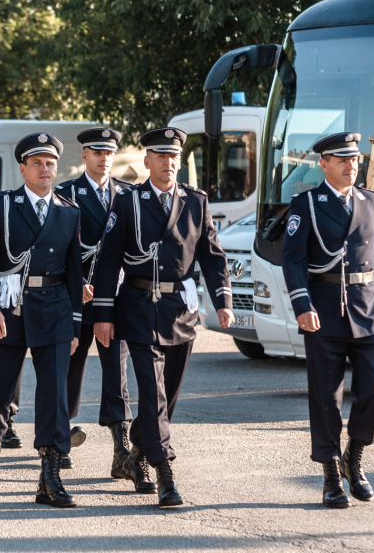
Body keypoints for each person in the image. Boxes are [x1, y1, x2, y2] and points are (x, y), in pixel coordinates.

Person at [91, 127, 234, 508]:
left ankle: (139, 448)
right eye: (161, 156)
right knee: (152, 394)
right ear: (147, 161)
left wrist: (223, 300)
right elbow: (107, 262)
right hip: (137, 308)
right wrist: (103, 314)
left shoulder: (195, 201)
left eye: (174, 156)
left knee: (167, 397)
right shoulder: (127, 202)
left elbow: (212, 256)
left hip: (180, 311)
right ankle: (165, 473)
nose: (169, 162)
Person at [279, 132, 374, 509]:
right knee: (326, 398)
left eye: (355, 159)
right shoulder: (306, 205)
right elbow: (293, 260)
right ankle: (331, 474)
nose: (351, 165)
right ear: (323, 164)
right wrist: (302, 304)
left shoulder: (369, 200)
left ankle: (354, 456)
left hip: (365, 307)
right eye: (343, 160)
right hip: (324, 310)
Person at [0, 132, 84, 508]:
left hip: (53, 309)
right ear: (23, 168)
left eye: (50, 162)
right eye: (37, 162)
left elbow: (73, 273)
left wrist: (75, 325)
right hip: (9, 309)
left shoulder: (68, 211)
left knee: (54, 394)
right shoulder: (0, 206)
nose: (45, 168)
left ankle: (49, 475)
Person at [56, 127, 134, 473]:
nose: (103, 159)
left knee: (116, 371)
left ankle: (122, 447)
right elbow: (55, 248)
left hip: (114, 299)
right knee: (69, 367)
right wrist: (76, 283)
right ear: (84, 156)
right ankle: (60, 436)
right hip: (77, 299)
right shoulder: (67, 194)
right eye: (96, 153)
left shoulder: (128, 194)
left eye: (108, 153)